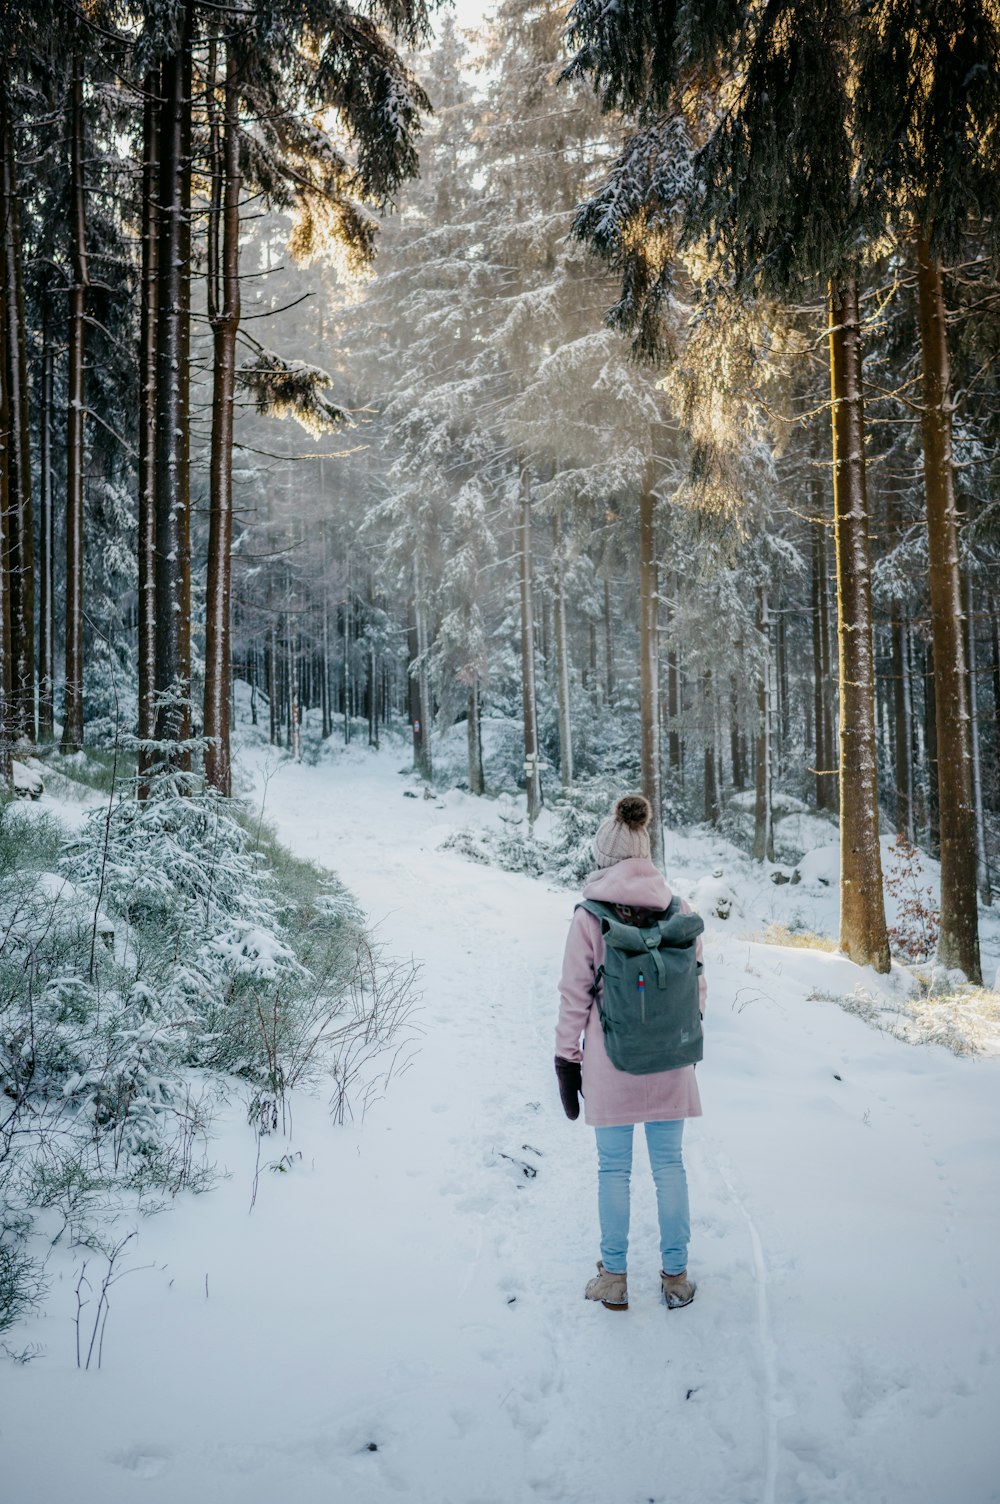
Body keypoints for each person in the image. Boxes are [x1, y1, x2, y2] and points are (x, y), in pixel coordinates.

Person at [554, 793, 706, 1312]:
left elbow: (575, 996)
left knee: (613, 1171)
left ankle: (614, 1278)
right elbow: (697, 988)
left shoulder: (590, 916)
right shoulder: (680, 911)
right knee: (670, 1166)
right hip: (671, 1060)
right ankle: (676, 1276)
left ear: (605, 858)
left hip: (610, 1062)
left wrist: (566, 1060)